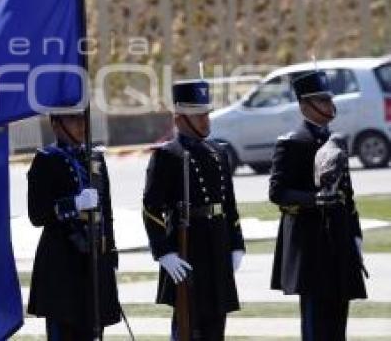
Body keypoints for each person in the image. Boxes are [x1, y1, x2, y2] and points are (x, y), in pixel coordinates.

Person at [142, 79, 245, 341]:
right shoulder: (168, 155)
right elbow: (151, 208)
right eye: (198, 116)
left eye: (206, 114)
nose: (205, 121)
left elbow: (229, 204)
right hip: (189, 250)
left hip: (217, 246)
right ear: (180, 119)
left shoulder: (217, 152)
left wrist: (236, 243)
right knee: (188, 326)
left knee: (215, 325)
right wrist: (164, 252)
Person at [269, 70, 367, 341]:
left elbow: (348, 194)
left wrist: (355, 234)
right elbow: (277, 192)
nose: (328, 106)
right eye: (321, 101)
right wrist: (314, 200)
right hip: (310, 244)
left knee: (338, 323)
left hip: (338, 239)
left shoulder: (335, 142)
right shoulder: (291, 143)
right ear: (304, 105)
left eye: (328, 100)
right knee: (316, 324)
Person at [26, 110, 121, 340]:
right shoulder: (46, 159)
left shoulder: (96, 158)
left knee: (93, 331)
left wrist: (110, 252)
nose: (81, 124)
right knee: (65, 331)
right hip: (62, 263)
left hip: (94, 260)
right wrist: (74, 204)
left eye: (82, 118)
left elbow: (106, 213)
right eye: (73, 119)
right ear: (55, 124)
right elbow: (37, 214)